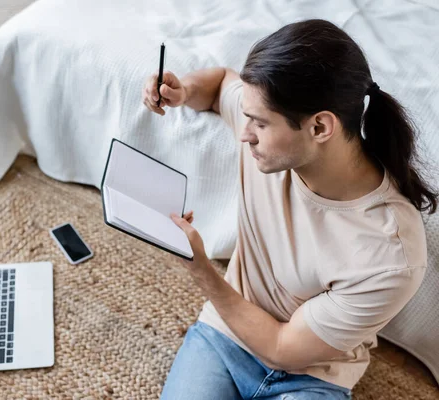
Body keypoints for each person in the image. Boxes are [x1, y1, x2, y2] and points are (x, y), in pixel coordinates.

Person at [142, 19, 438, 400]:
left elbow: (282, 348)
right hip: (226, 335)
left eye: (260, 123)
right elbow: (219, 85)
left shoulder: (392, 253)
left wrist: (201, 270)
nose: (245, 134)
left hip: (313, 377)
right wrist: (184, 91)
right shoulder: (266, 138)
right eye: (246, 116)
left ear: (319, 127)